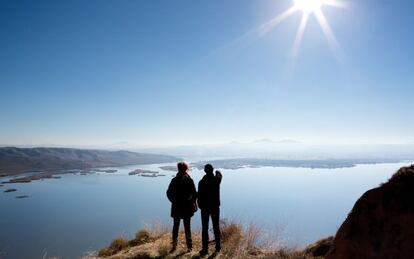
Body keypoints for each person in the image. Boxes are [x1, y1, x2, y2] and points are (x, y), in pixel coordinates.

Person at [166, 161, 197, 252]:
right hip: (187, 207)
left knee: (175, 226)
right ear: (186, 168)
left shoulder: (174, 180)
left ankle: (174, 246)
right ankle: (189, 247)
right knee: (187, 227)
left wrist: (174, 201)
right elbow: (194, 194)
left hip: (176, 207)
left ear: (178, 168)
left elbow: (168, 193)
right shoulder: (189, 180)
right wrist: (193, 202)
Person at [197, 164, 222, 256]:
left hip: (204, 208)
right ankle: (218, 247)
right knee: (216, 227)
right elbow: (219, 174)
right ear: (212, 170)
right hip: (215, 207)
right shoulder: (216, 180)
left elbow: (199, 196)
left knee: (205, 228)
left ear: (204, 171)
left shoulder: (201, 182)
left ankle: (205, 249)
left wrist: (200, 205)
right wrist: (215, 171)